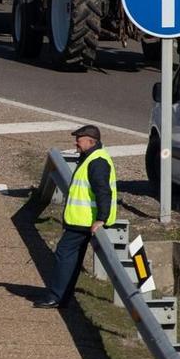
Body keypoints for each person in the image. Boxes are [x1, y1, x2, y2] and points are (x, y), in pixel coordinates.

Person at [35, 124, 117, 308]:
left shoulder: (97, 161)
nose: (76, 143)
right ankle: (62, 296)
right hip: (83, 220)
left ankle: (56, 296)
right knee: (71, 258)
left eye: (79, 140)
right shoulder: (91, 157)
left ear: (90, 141)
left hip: (85, 221)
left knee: (64, 254)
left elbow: (103, 191)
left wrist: (101, 219)